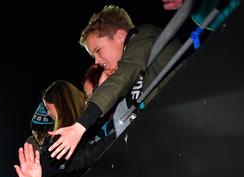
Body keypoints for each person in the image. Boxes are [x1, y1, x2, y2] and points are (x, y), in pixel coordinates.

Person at [48, 5, 181, 160]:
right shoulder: (136, 67)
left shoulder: (142, 36)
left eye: (98, 50)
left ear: (120, 36)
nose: (97, 61)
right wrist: (102, 86)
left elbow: (123, 76)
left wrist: (80, 126)